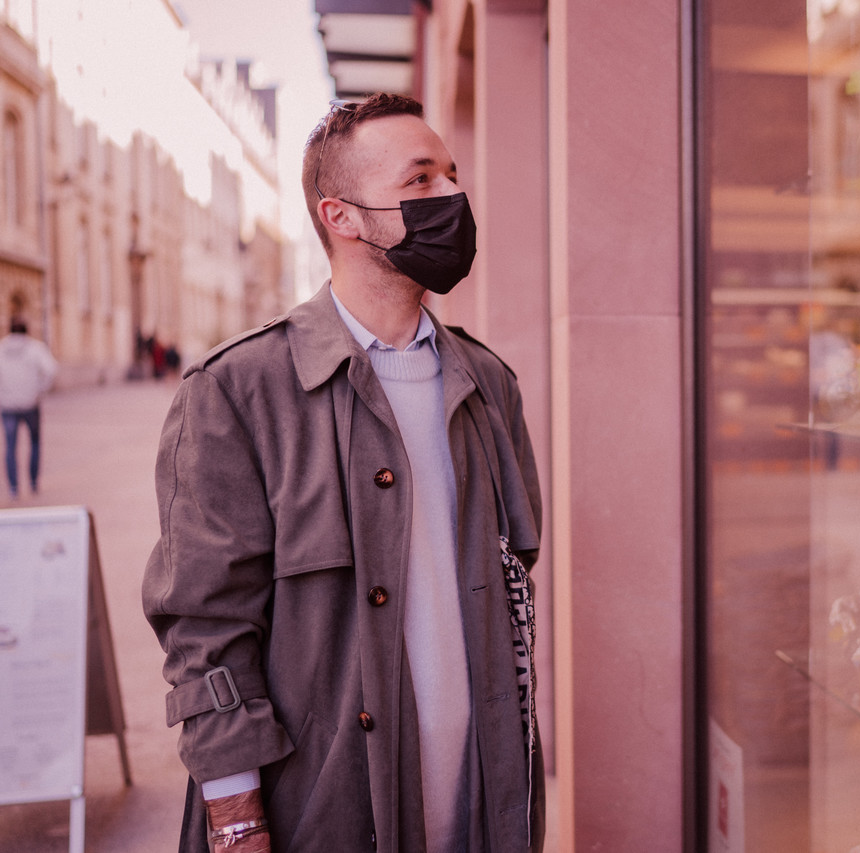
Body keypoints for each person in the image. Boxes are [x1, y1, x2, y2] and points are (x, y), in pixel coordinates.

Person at [142, 93, 543, 853]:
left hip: (483, 805)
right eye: (420, 179)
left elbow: (514, 580)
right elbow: (204, 627)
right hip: (317, 815)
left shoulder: (491, 385)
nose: (451, 197)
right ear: (343, 215)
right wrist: (236, 820)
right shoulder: (237, 390)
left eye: (452, 174)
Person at [0, 318, 58, 499]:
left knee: (10, 446)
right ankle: (33, 482)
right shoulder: (35, 349)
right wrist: (40, 389)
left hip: (8, 405)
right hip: (30, 403)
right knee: (34, 443)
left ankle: (13, 487)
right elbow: (51, 370)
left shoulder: (2, 348)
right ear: (27, 330)